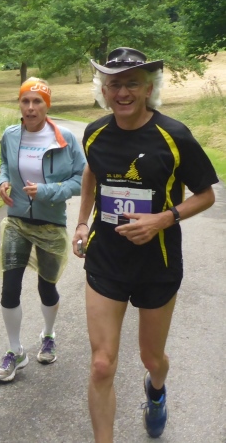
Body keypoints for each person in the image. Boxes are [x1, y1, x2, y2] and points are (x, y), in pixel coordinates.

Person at [73, 47, 218, 441]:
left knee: (151, 358)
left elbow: (206, 195)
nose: (123, 92)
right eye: (115, 84)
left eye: (132, 84)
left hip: (158, 263)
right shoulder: (95, 133)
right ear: (103, 90)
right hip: (105, 260)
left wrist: (163, 219)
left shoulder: (174, 135)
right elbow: (91, 173)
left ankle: (156, 391)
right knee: (101, 364)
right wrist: (82, 222)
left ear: (148, 89)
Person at [0, 77, 86, 383]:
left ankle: (48, 335)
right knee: (9, 288)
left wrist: (47, 191)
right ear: (19, 104)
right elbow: (4, 165)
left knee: (46, 288)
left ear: (47, 105)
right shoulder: (10, 135)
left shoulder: (64, 139)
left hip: (50, 223)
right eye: (25, 101)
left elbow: (82, 179)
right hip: (17, 221)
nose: (31, 107)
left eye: (38, 102)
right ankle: (15, 350)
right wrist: (2, 181)